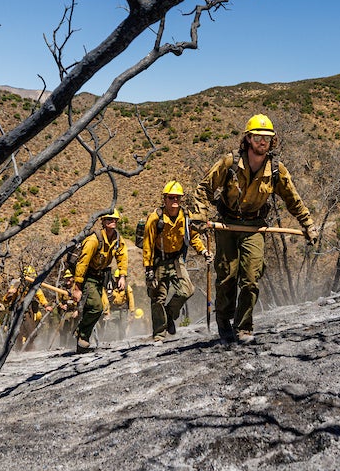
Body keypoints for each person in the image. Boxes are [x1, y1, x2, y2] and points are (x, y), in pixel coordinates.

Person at [192, 114, 317, 345]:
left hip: (254, 227)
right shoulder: (229, 164)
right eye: (258, 137)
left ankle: (244, 327)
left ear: (273, 141)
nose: (263, 141)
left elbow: (293, 199)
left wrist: (307, 223)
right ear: (248, 138)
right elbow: (203, 188)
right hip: (227, 225)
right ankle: (224, 322)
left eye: (267, 138)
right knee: (227, 277)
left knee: (250, 280)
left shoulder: (276, 170)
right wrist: (198, 217)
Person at [142, 180, 210, 343]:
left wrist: (203, 251)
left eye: (177, 198)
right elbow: (148, 244)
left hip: (176, 260)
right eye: (171, 198)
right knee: (157, 296)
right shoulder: (155, 218)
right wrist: (149, 269)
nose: (174, 202)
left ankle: (169, 314)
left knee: (187, 290)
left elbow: (193, 236)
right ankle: (159, 333)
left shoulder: (185, 217)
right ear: (164, 199)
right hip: (158, 261)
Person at [69, 209, 128, 353]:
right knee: (96, 307)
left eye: (114, 220)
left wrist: (122, 276)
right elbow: (82, 263)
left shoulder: (117, 239)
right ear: (103, 221)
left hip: (101, 277)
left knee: (96, 308)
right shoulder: (93, 240)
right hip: (87, 277)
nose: (112, 222)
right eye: (109, 220)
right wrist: (77, 287)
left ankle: (82, 341)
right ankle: (82, 333)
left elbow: (122, 256)